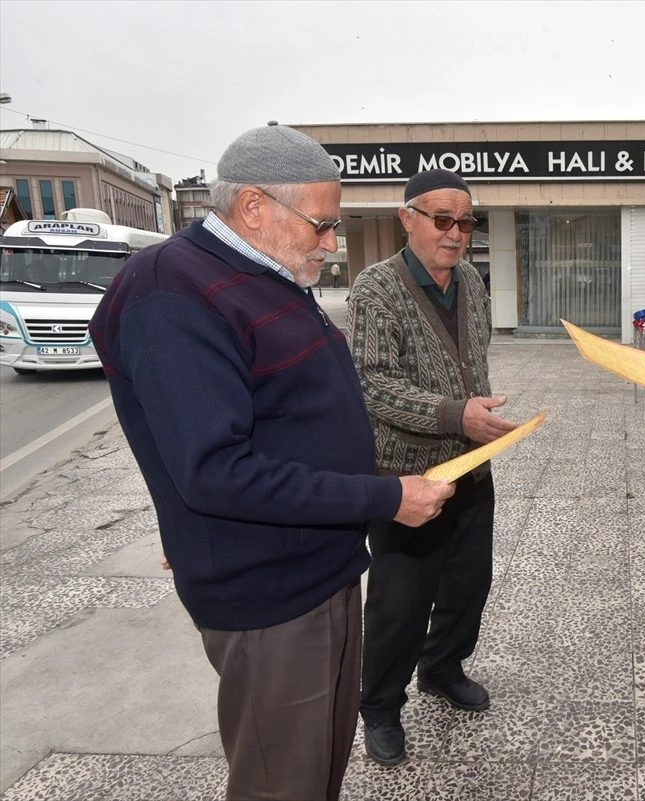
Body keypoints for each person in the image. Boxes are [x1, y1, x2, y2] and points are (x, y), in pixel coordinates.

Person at [88, 124, 454, 801]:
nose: (330, 243)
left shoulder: (266, 274)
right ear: (254, 206)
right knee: (280, 783)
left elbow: (283, 425)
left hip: (322, 569)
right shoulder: (173, 290)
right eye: (320, 225)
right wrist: (384, 500)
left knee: (316, 774)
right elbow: (213, 468)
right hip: (267, 599)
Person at [348, 168, 518, 766]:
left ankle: (442, 667)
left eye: (465, 222)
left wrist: (479, 418)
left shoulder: (471, 280)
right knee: (399, 602)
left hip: (473, 466)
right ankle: (381, 707)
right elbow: (374, 385)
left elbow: (474, 359)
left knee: (470, 584)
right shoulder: (375, 289)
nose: (455, 233)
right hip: (408, 478)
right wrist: (454, 414)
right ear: (407, 219)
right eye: (441, 220)